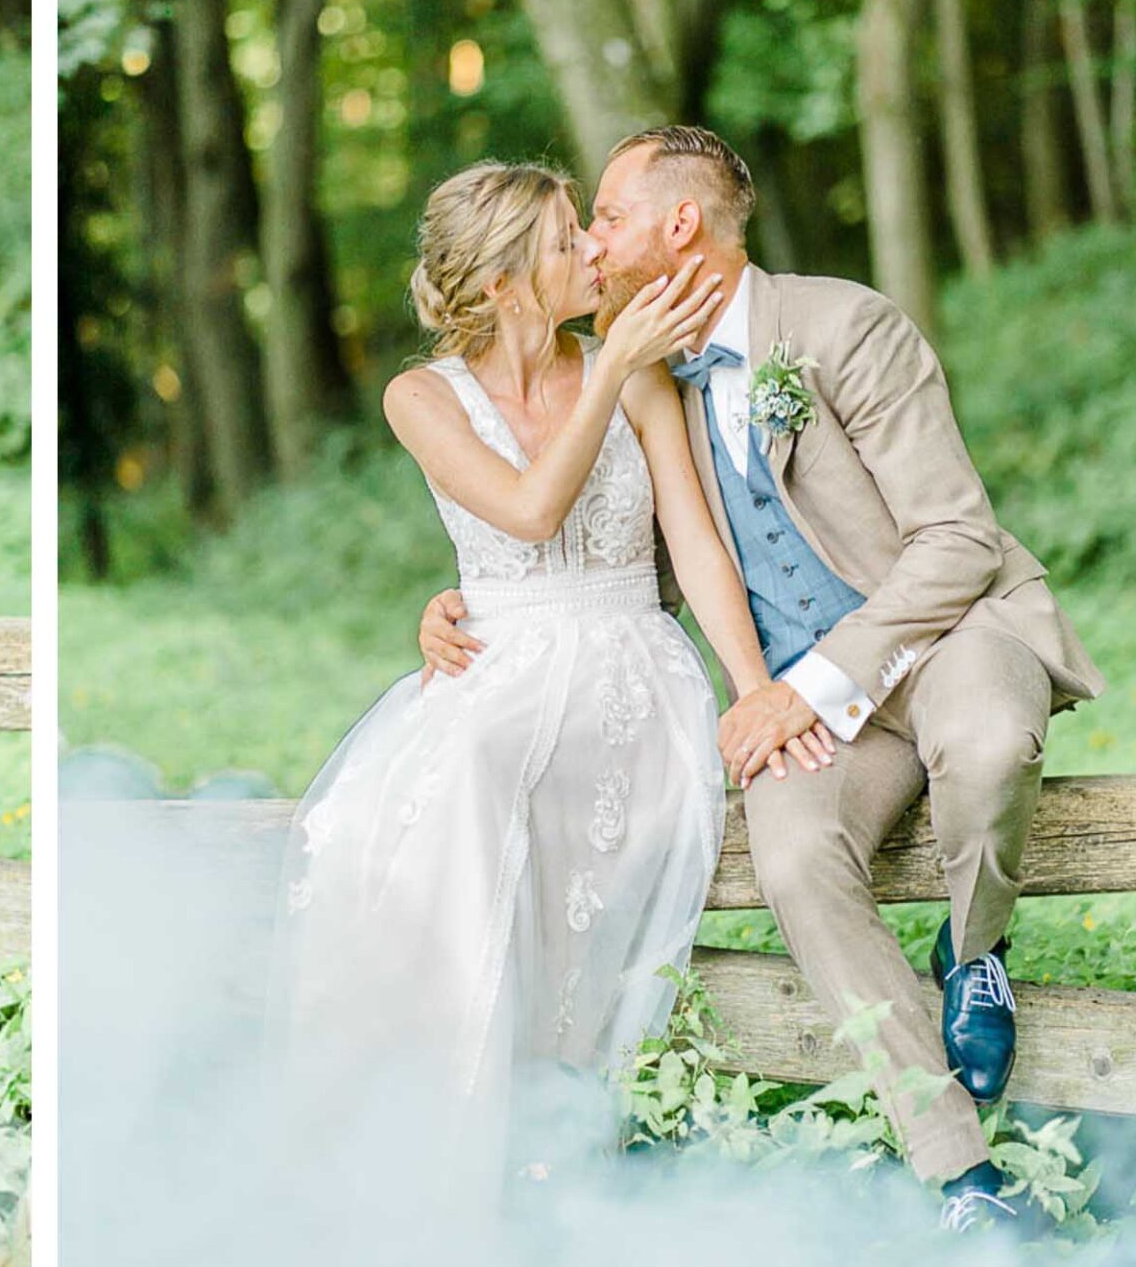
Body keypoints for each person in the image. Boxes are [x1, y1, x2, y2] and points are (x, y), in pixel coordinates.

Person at [420, 126, 1101, 1234]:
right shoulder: (636, 369)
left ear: (676, 226)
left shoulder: (842, 324)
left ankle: (974, 952)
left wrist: (813, 682)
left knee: (984, 742)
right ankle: (963, 1178)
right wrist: (461, 606)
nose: (593, 242)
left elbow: (957, 542)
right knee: (790, 856)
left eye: (607, 215)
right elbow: (610, 556)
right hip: (798, 698)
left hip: (940, 640)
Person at [271, 159, 777, 1195]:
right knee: (407, 808)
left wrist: (754, 685)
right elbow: (526, 511)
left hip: (628, 668)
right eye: (563, 242)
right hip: (492, 668)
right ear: (502, 283)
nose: (593, 250)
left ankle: (531, 1131)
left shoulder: (629, 369)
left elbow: (691, 540)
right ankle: (420, 1134)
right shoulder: (418, 397)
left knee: (482, 780)